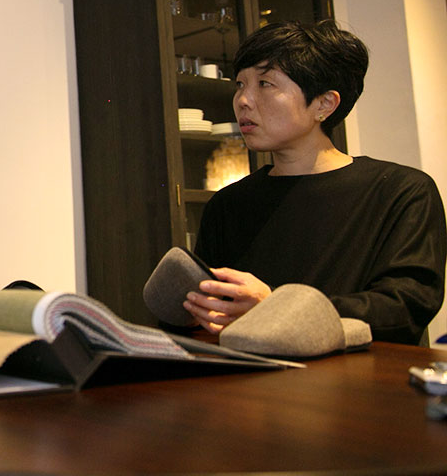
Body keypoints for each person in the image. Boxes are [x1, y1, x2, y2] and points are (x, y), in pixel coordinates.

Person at [187, 19, 446, 345]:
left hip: (362, 373)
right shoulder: (228, 205)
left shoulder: (401, 192)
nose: (243, 100)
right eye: (240, 84)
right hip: (251, 374)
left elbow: (405, 308)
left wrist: (276, 306)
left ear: (324, 104)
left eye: (265, 83)